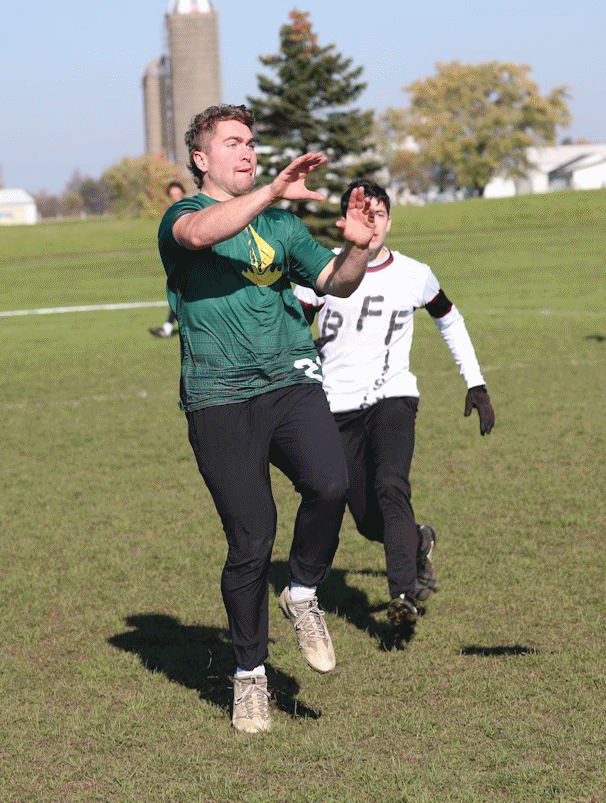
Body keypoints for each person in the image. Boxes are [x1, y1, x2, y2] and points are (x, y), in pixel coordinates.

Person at [157, 104, 380, 733]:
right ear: (201, 158)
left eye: (251, 142)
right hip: (218, 396)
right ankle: (250, 676)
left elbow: (336, 282)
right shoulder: (181, 217)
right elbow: (200, 236)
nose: (247, 151)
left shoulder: (280, 223)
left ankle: (303, 591)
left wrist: (358, 248)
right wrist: (272, 190)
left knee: (331, 483)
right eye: (232, 143)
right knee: (252, 542)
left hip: (289, 380)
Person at [294, 178, 494, 643]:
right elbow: (291, 329)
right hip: (335, 406)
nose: (372, 224)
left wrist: (476, 383)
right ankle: (419, 541)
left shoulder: (414, 274)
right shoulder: (322, 272)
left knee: (391, 486)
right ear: (345, 221)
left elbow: (450, 320)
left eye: (379, 215)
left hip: (393, 397)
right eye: (362, 215)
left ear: (389, 221)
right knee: (368, 520)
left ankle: (402, 597)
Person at [150, 181, 187, 338]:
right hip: (179, 260)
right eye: (172, 195)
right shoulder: (170, 213)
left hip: (192, 259)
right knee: (180, 295)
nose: (176, 197)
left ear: (183, 193)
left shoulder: (191, 209)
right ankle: (168, 328)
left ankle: (168, 328)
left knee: (183, 295)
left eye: (178, 194)